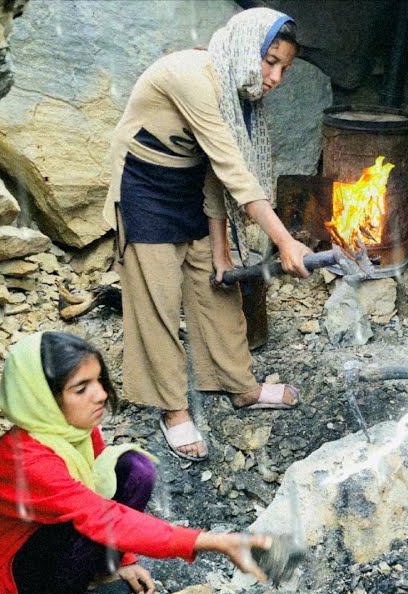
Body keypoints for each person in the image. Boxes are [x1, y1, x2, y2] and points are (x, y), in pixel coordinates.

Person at [0, 332, 272, 594]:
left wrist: (123, 560)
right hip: (11, 584)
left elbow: (98, 491)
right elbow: (101, 516)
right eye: (81, 389)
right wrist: (210, 541)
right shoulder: (27, 462)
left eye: (98, 381)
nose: (100, 394)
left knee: (133, 469)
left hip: (47, 541)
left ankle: (98, 572)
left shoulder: (69, 430)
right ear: (42, 398)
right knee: (86, 519)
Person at [104, 8, 311, 463]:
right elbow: (233, 169)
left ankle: (241, 387)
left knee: (216, 288)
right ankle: (174, 409)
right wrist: (284, 240)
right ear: (245, 48)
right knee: (157, 298)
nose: (275, 77)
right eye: (270, 61)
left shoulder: (241, 91)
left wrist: (220, 253)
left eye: (284, 69)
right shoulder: (193, 77)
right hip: (144, 185)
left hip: (190, 184)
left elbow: (216, 178)